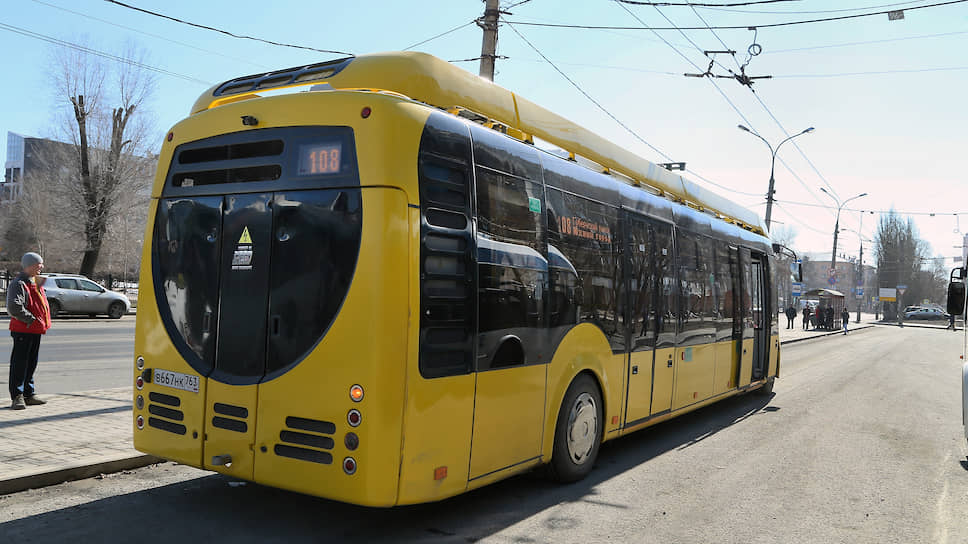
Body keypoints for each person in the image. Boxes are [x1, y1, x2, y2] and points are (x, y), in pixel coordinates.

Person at [7, 252, 51, 410]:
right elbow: (14, 307)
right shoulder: (18, 283)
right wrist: (32, 320)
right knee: (20, 363)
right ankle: (17, 396)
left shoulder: (35, 281)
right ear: (30, 265)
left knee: (31, 363)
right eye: (39, 264)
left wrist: (39, 322)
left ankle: (28, 394)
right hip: (24, 330)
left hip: (35, 330)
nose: (41, 267)